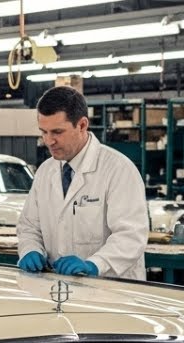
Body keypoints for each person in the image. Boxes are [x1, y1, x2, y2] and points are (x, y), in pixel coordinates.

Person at [16, 86, 148, 280]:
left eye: (57, 132)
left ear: (82, 125)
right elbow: (29, 226)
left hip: (111, 290)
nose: (48, 141)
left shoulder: (118, 169)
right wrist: (30, 249)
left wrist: (94, 265)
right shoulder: (45, 171)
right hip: (58, 288)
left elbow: (131, 235)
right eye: (43, 132)